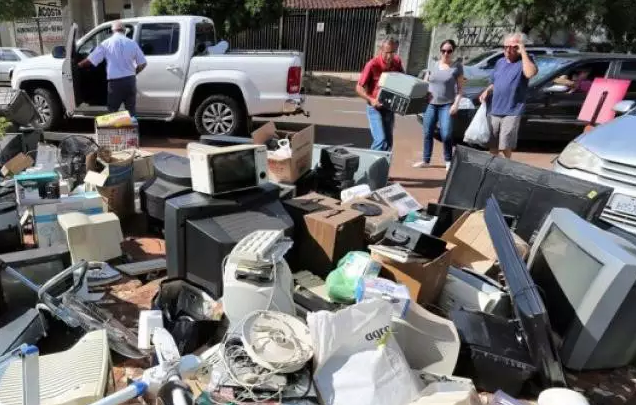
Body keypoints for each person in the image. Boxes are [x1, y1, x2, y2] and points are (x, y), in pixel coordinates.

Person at [479, 33, 538, 159]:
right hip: (494, 108)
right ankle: (494, 166)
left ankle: (507, 165)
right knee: (492, 143)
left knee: (505, 144)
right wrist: (487, 91)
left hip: (512, 110)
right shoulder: (500, 62)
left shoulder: (526, 61)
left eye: (512, 47)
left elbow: (529, 73)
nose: (508, 50)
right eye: (505, 46)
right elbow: (496, 82)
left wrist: (522, 51)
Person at [413, 39, 464, 171]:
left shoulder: (457, 67)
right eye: (443, 51)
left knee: (446, 134)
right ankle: (426, 160)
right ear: (440, 51)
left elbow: (460, 89)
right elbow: (425, 82)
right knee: (427, 132)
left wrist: (456, 104)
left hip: (447, 105)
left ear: (453, 52)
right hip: (431, 104)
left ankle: (448, 160)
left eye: (449, 51)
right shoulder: (433, 64)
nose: (446, 53)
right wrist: (422, 92)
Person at [78, 21, 147, 116]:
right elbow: (143, 63)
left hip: (115, 83)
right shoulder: (132, 43)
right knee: (131, 110)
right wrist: (134, 72)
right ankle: (133, 130)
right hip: (130, 81)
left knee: (113, 110)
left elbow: (91, 60)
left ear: (112, 31)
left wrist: (79, 65)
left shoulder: (106, 43)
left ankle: (114, 130)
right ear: (124, 30)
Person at [356, 37, 404, 151]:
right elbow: (358, 87)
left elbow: (404, 80)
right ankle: (370, 166)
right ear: (381, 51)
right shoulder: (372, 64)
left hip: (389, 107)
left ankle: (382, 168)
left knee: (388, 143)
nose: (389, 56)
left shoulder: (397, 62)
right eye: (387, 52)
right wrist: (372, 100)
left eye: (392, 52)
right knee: (380, 140)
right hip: (374, 108)